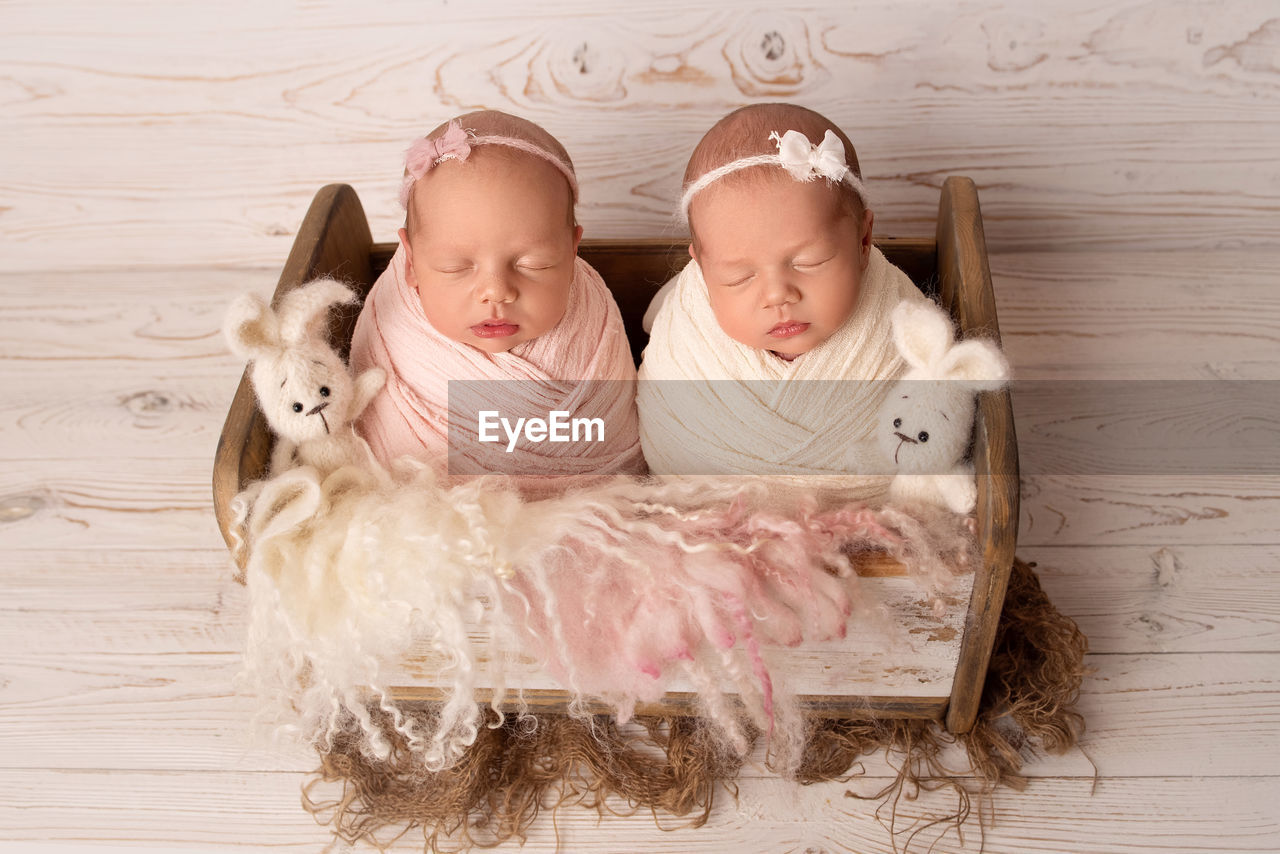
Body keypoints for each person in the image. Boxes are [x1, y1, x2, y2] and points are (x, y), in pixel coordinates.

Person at [638, 102, 928, 501]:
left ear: (863, 241)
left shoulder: (906, 326)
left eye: (810, 262)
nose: (777, 295)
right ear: (702, 270)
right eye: (739, 277)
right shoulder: (686, 333)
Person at [351, 110, 643, 479]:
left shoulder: (595, 328)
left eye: (534, 264)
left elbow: (618, 455)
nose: (496, 291)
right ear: (410, 262)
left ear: (572, 252)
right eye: (455, 267)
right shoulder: (391, 331)